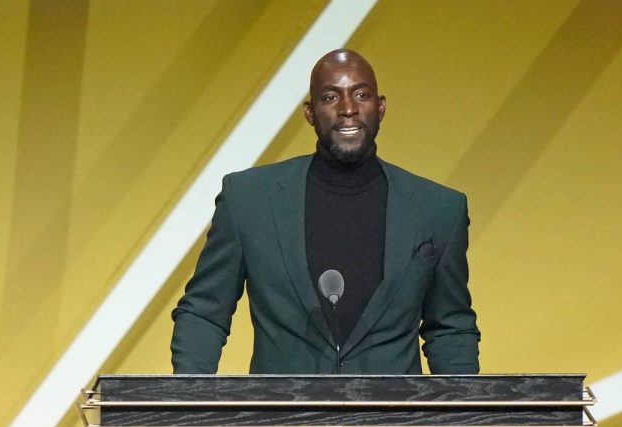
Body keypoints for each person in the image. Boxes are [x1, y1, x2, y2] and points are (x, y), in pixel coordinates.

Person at [170, 49, 480, 374]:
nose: (348, 109)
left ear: (381, 107)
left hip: (393, 421)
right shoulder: (248, 201)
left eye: (361, 94)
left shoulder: (437, 209)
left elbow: (450, 328)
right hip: (282, 421)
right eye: (331, 97)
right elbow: (205, 311)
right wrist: (189, 409)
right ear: (310, 113)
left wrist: (459, 419)